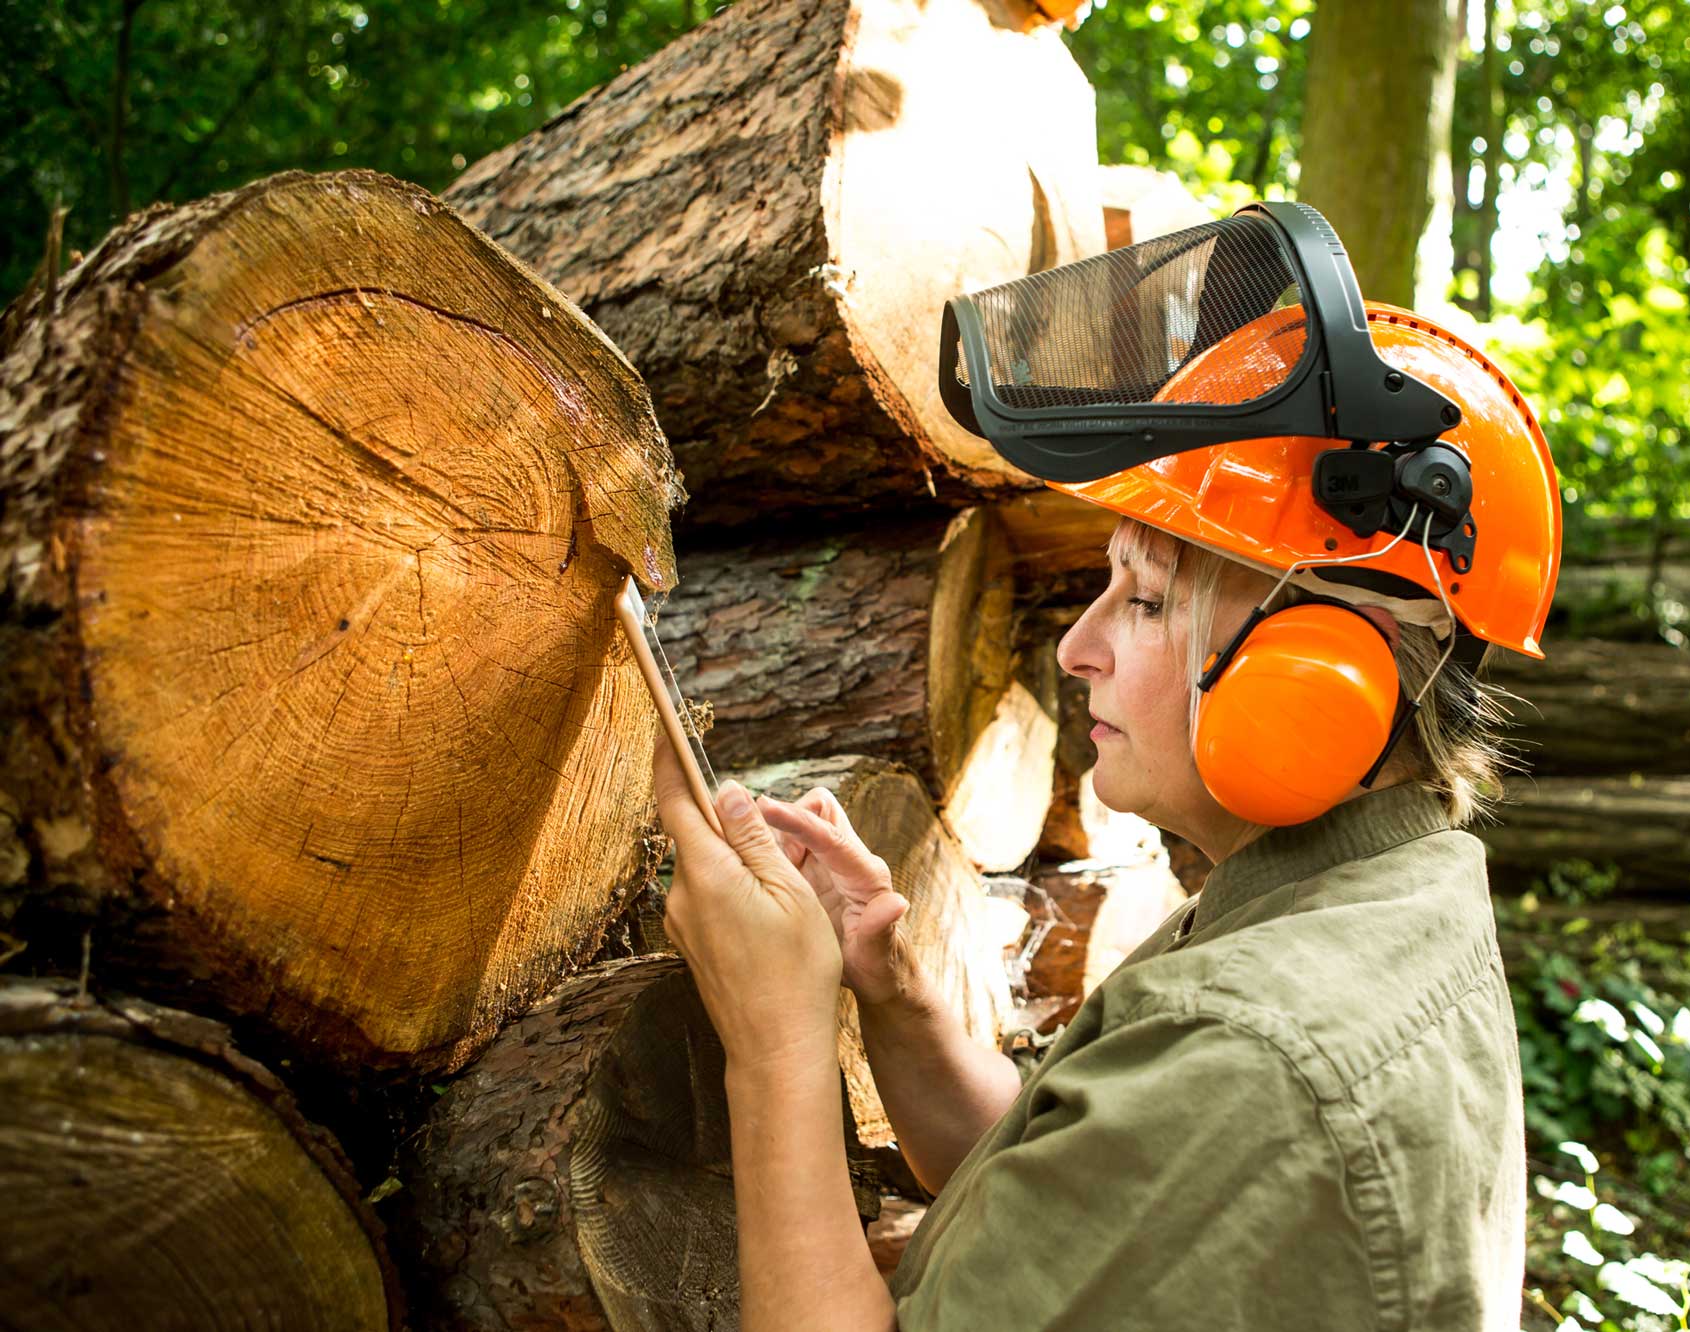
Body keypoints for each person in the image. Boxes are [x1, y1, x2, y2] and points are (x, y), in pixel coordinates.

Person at [650, 204, 1562, 1330]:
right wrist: (889, 995)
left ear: (1313, 673)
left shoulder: (1252, 1053)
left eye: (1140, 601)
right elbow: (1096, 1201)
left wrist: (774, 1043)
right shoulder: (1350, 893)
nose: (1075, 648)